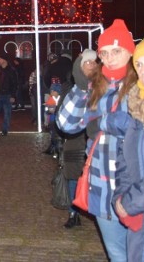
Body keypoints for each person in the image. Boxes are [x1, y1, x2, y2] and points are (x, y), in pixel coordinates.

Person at [58, 19, 137, 261]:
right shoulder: (95, 88)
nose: (110, 57)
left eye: (117, 51)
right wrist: (81, 87)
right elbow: (66, 124)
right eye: (105, 52)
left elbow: (141, 129)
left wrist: (103, 123)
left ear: (130, 52)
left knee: (141, 252)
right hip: (102, 184)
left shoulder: (141, 84)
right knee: (116, 253)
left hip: (135, 184)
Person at [110, 34, 144, 261]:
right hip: (141, 225)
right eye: (139, 63)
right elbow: (125, 157)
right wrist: (120, 196)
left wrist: (130, 202)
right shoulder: (138, 110)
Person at [60, 49, 97, 228]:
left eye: (93, 62)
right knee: (74, 176)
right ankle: (73, 212)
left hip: (94, 143)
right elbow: (63, 118)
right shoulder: (73, 88)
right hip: (75, 141)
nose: (91, 65)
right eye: (87, 62)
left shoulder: (105, 86)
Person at [0, 54, 17, 136]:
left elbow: (15, 84)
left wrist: (13, 95)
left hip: (7, 95)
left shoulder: (11, 70)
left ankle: (5, 130)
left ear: (4, 60)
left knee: (7, 113)